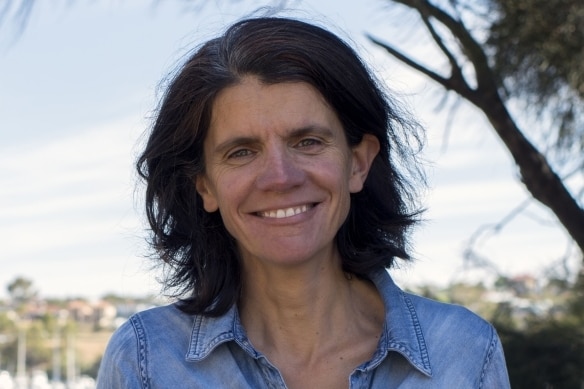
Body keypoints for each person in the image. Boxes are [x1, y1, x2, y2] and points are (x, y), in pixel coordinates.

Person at [96, 17, 510, 388]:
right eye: (241, 151)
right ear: (205, 186)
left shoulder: (465, 352)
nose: (280, 177)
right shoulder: (146, 359)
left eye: (308, 142)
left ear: (358, 164)